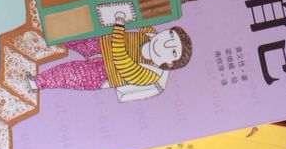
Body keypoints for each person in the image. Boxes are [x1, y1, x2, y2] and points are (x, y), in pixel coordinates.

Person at [29, 16, 192, 94]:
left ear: (170, 63)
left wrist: (119, 27)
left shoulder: (152, 74)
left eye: (173, 51)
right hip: (101, 42)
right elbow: (139, 19)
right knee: (70, 34)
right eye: (170, 35)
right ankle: (38, 31)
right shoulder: (150, 33)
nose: (166, 43)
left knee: (68, 74)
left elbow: (123, 63)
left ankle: (36, 83)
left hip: (103, 73)